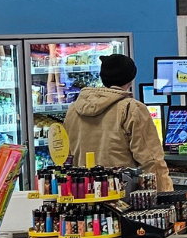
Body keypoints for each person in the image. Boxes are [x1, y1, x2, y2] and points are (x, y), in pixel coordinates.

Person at [65, 54, 173, 191]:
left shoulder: (74, 109)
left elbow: (68, 156)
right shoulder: (131, 109)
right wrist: (164, 195)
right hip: (120, 193)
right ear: (131, 79)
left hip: (83, 192)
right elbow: (151, 160)